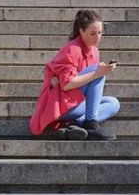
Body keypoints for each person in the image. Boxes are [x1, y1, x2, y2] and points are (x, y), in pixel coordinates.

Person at [30, 9, 120, 141]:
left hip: (77, 103)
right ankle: (91, 124)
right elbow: (67, 84)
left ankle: (75, 125)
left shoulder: (94, 51)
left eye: (100, 33)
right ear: (81, 31)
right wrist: (97, 73)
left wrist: (101, 71)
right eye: (93, 33)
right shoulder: (72, 49)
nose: (97, 37)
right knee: (97, 70)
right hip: (62, 106)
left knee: (113, 103)